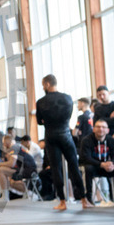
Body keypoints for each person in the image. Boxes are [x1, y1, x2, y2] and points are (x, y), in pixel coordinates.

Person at [36, 74, 90, 211]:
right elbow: (69, 115)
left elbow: (38, 121)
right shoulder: (67, 98)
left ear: (47, 84)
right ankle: (84, 200)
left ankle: (62, 201)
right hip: (65, 134)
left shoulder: (41, 102)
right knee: (74, 166)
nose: (43, 87)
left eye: (43, 85)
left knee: (56, 168)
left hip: (50, 135)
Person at [80, 119, 114, 205]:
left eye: (103, 127)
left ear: (107, 130)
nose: (101, 129)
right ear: (93, 129)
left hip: (107, 167)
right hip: (94, 167)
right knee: (88, 168)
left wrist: (112, 164)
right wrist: (101, 164)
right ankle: (89, 198)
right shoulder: (86, 140)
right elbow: (86, 158)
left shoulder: (111, 140)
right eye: (98, 127)